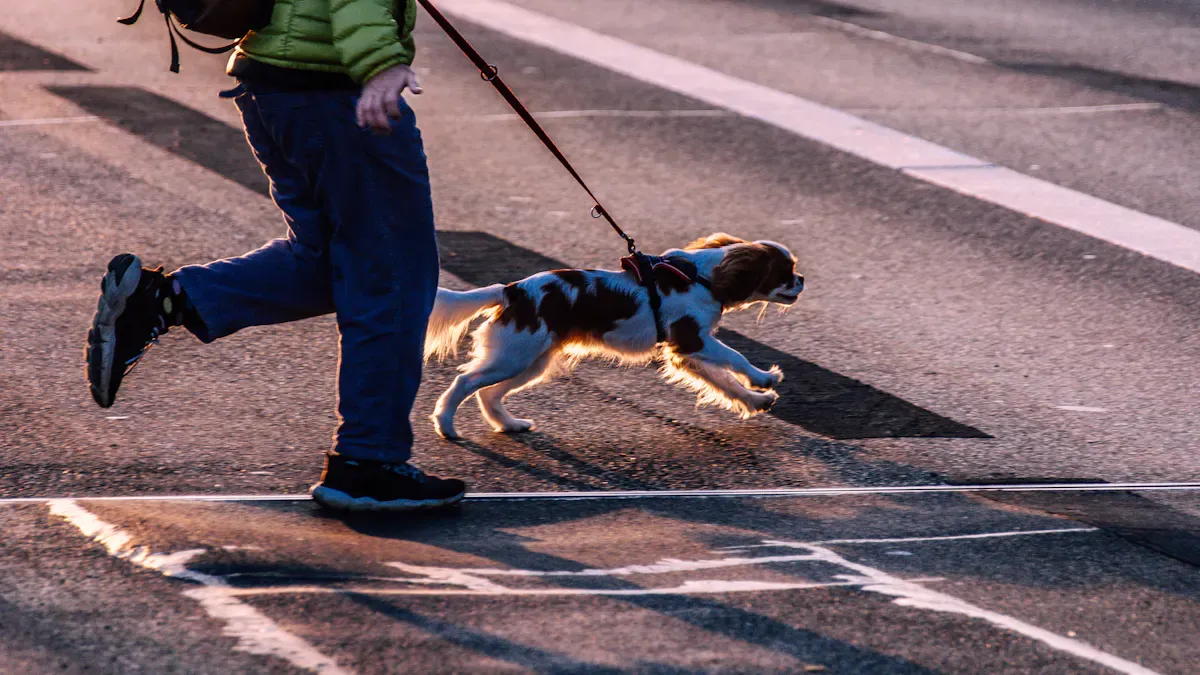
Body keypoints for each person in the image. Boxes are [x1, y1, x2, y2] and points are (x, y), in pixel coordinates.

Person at [85, 0, 465, 512]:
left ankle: (163, 300)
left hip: (273, 83)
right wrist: (380, 63)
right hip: (332, 90)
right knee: (391, 278)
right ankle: (367, 464)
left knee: (326, 262)